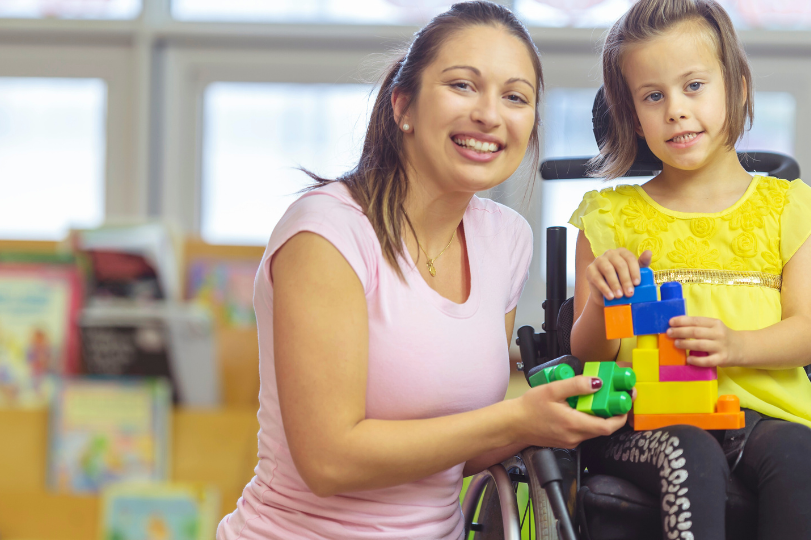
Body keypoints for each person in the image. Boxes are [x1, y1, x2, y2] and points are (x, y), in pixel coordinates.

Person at [216, 3, 626, 539]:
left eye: (515, 97)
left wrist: (560, 412)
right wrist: (518, 418)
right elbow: (328, 461)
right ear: (402, 105)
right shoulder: (327, 233)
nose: (489, 114)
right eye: (462, 85)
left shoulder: (504, 240)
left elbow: (460, 449)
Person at [568, 1, 811, 538]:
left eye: (694, 86)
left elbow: (806, 336)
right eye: (652, 96)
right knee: (690, 451)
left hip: (767, 416)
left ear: (736, 87)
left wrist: (736, 346)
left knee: (799, 451)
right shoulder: (608, 218)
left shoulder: (792, 209)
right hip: (647, 420)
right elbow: (588, 353)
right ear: (632, 114)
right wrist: (601, 297)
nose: (675, 111)